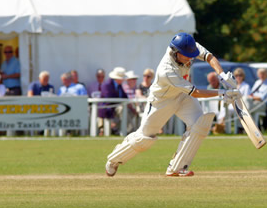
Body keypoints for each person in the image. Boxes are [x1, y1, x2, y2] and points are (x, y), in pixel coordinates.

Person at [105, 33, 241, 177]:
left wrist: (222, 75)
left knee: (200, 125)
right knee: (144, 139)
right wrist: (222, 93)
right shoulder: (167, 70)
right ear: (176, 53)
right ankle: (114, 160)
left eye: (192, 54)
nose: (190, 58)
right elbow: (194, 92)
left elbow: (209, 57)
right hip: (162, 102)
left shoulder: (189, 47)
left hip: (182, 96)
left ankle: (177, 167)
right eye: (187, 55)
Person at [99, 67, 129, 135]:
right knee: (122, 109)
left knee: (129, 110)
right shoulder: (106, 85)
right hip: (109, 108)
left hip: (117, 108)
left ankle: (130, 130)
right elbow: (108, 99)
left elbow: (125, 97)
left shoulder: (119, 86)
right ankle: (124, 131)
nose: (123, 80)